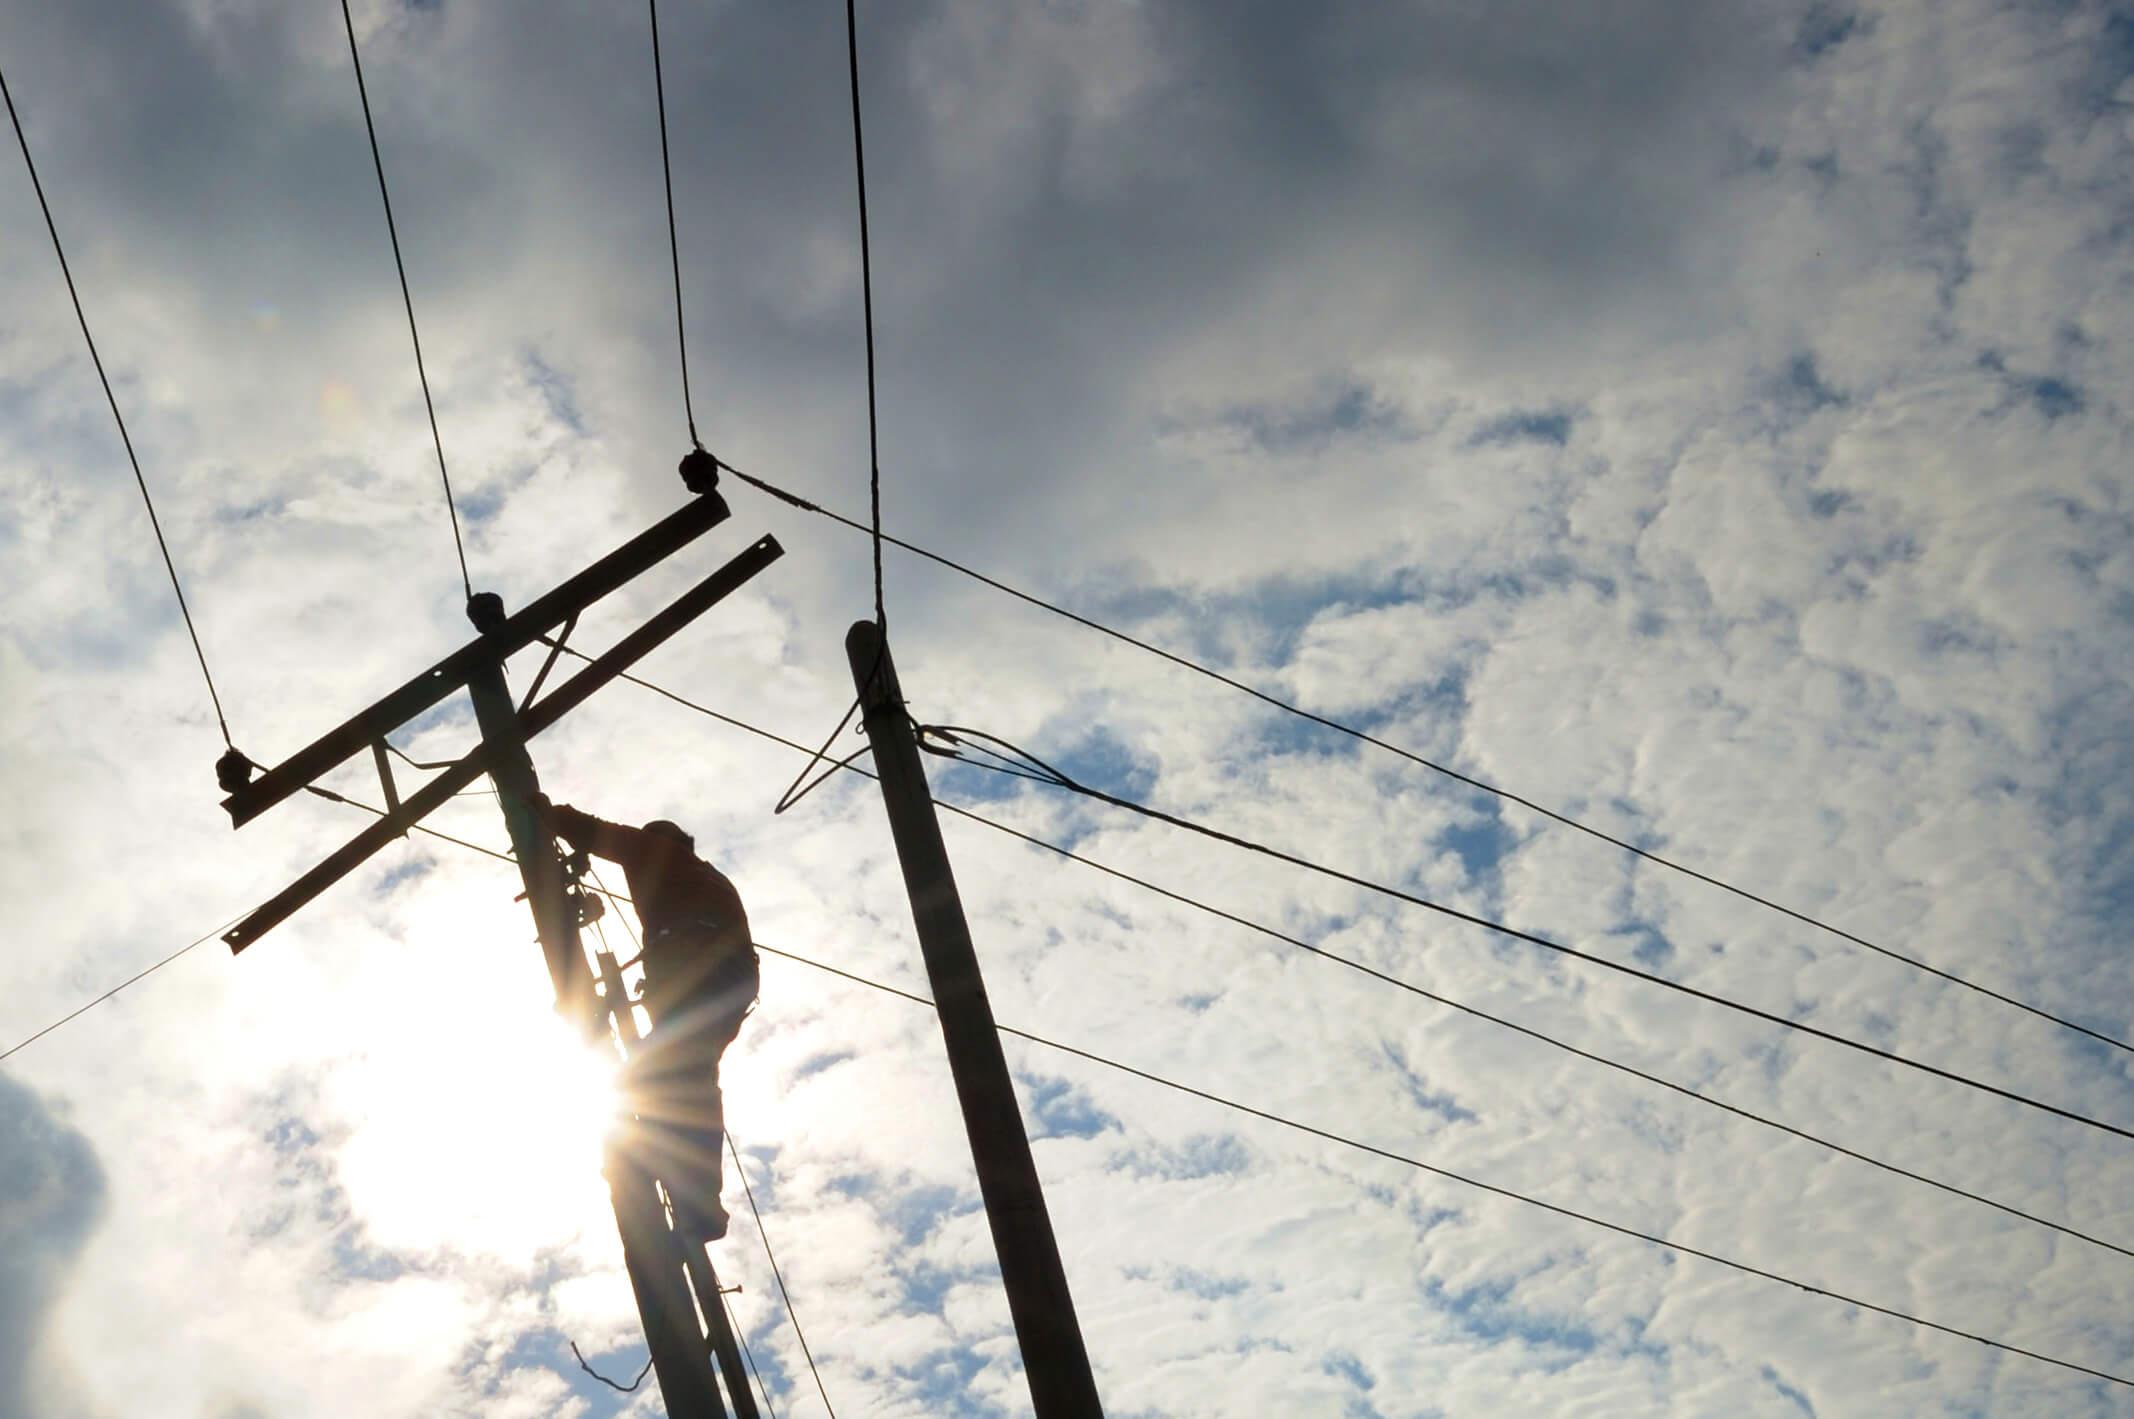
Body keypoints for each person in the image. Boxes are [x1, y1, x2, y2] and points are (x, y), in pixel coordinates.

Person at [541, 800, 757, 1241]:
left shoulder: (665, 857)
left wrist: (549, 815)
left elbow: (610, 835)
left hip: (704, 977)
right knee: (681, 1076)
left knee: (664, 1074)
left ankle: (688, 1193)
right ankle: (689, 1186)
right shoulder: (701, 878)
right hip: (722, 984)